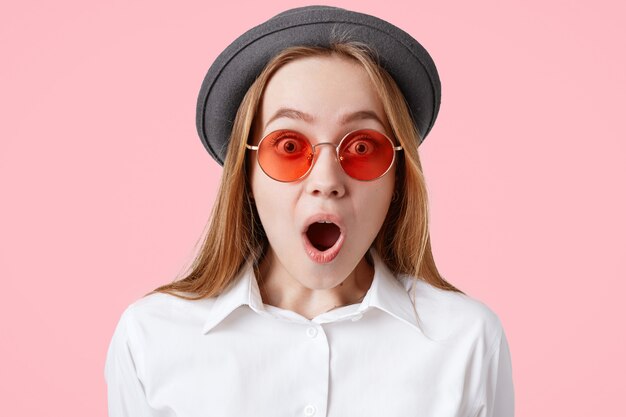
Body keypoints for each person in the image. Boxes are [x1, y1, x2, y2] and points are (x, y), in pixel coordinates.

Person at [105, 5, 514, 417]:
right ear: (246, 174)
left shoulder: (468, 341)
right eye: (288, 147)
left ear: (397, 178)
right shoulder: (150, 339)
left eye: (361, 148)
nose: (327, 180)